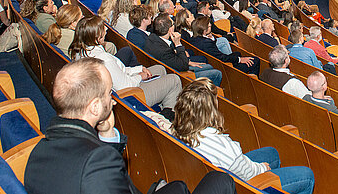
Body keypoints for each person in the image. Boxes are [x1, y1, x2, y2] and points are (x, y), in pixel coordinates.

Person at [24, 58, 235, 194]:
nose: (114, 101)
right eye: (108, 94)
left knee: (178, 187)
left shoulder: (38, 150)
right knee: (221, 180)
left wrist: (106, 134)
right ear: (95, 107)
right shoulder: (98, 161)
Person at [171, 79, 315, 194]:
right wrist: (263, 168)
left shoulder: (178, 129)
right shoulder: (223, 146)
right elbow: (249, 173)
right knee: (307, 176)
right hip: (246, 182)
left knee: (272, 153)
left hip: (217, 168)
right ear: (209, 110)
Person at [69, 16, 182, 115]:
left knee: (160, 69)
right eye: (103, 28)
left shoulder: (80, 52)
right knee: (174, 80)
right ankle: (170, 116)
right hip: (130, 94)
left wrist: (138, 69)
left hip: (124, 84)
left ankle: (163, 107)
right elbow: (125, 85)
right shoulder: (104, 60)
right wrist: (140, 76)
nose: (107, 29)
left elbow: (118, 71)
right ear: (97, 37)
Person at [145, 13, 222, 86]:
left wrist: (188, 61)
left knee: (209, 66)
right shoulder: (164, 51)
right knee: (217, 73)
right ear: (170, 30)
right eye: (173, 24)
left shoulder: (152, 38)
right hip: (180, 75)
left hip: (175, 65)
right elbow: (183, 66)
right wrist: (178, 44)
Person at [188, 16, 259, 75]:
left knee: (237, 53)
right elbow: (222, 58)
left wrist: (211, 38)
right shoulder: (206, 43)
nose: (211, 26)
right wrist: (240, 60)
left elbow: (213, 49)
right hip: (226, 69)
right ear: (204, 30)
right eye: (209, 26)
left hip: (217, 62)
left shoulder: (193, 39)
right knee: (255, 60)